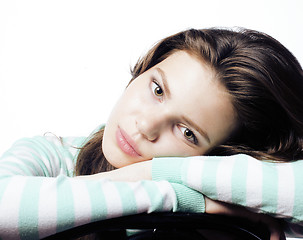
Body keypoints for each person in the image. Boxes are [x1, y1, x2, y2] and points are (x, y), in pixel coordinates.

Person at [0, 28, 302, 240]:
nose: (145, 126)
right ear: (142, 70)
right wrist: (177, 194)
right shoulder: (54, 156)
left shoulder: (222, 220)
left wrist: (152, 171)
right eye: (157, 89)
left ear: (218, 158)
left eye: (187, 132)